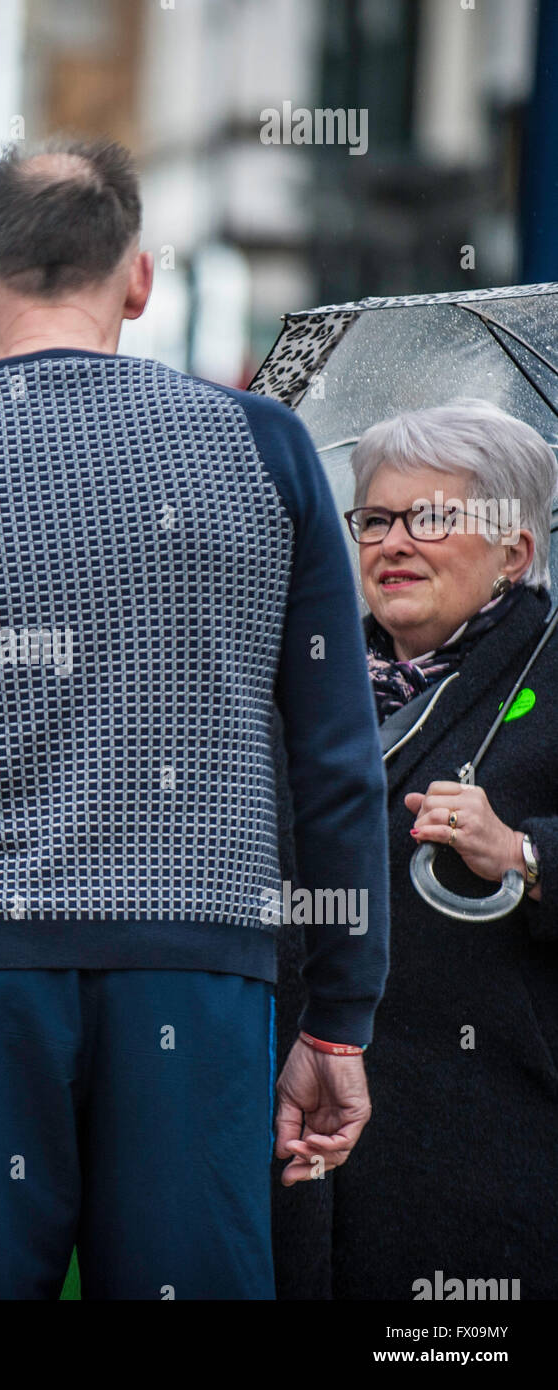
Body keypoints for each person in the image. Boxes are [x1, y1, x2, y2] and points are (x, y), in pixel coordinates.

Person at [0, 137, 390, 1300]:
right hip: (198, 975)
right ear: (138, 279)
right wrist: (340, 1018)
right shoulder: (267, 448)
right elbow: (340, 763)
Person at [272, 398, 558, 1300]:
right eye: (374, 519)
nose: (391, 543)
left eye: (431, 518)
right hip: (296, 1126)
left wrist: (521, 851)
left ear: (514, 550)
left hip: (486, 1136)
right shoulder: (304, 680)